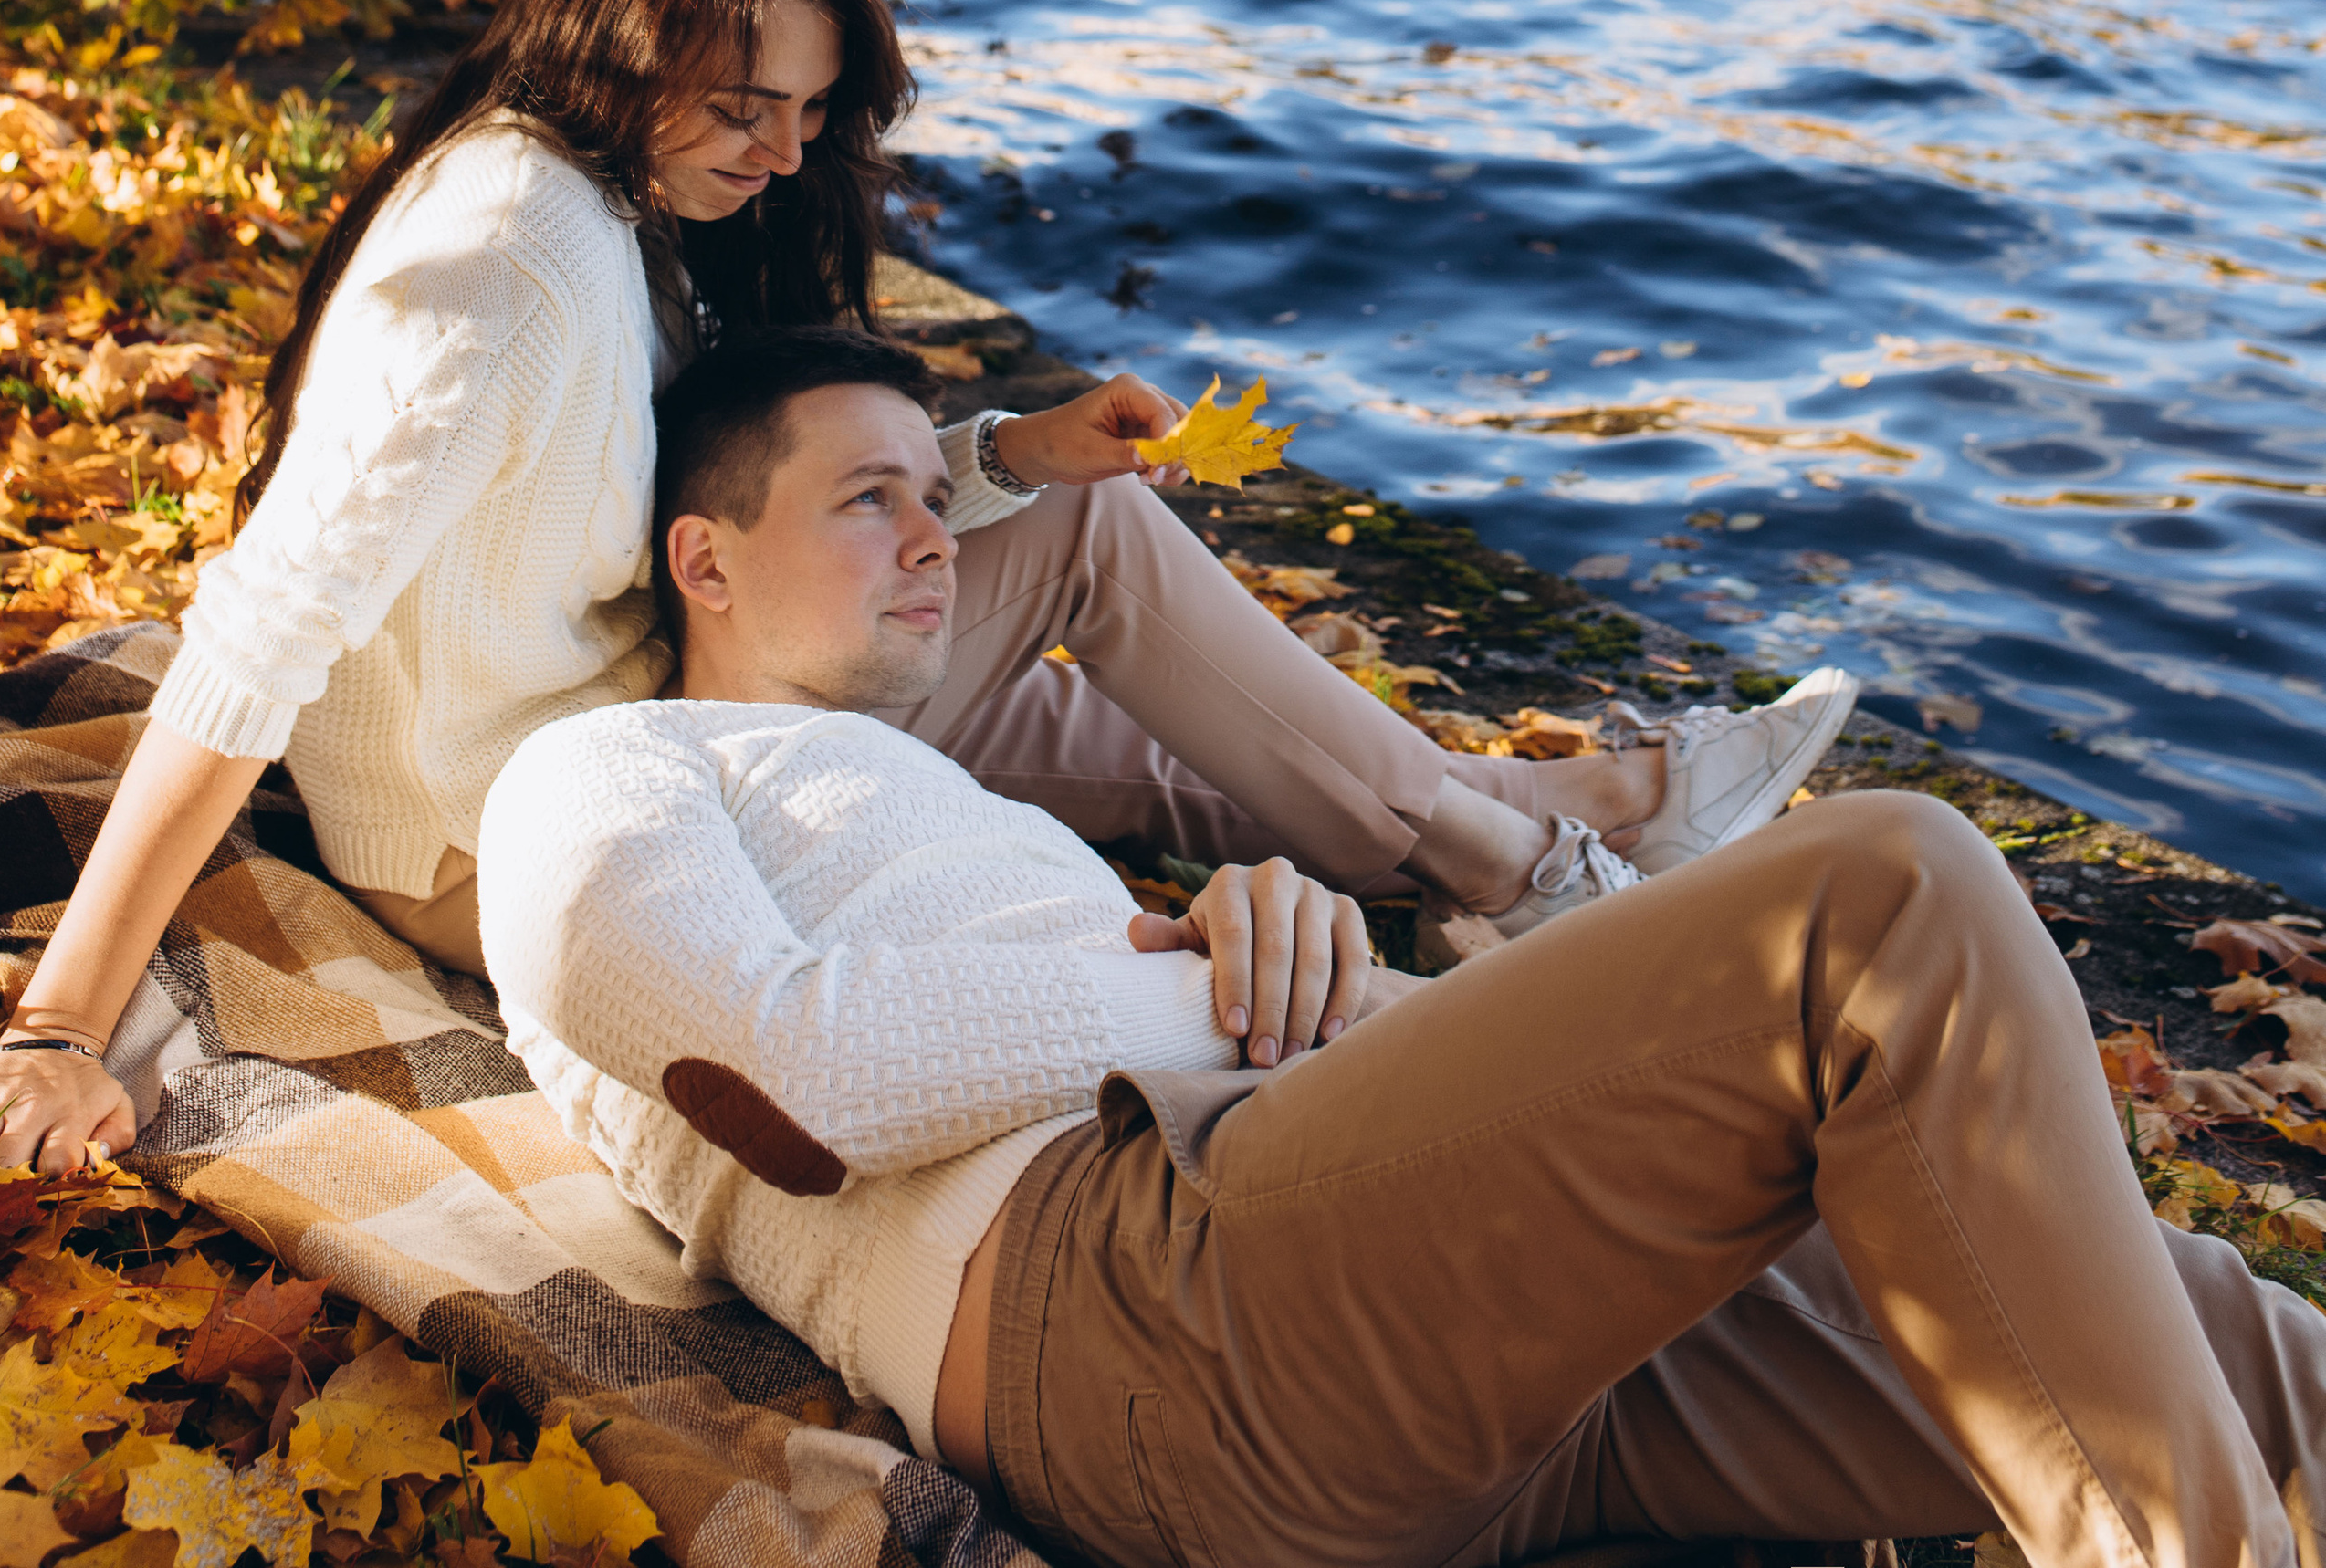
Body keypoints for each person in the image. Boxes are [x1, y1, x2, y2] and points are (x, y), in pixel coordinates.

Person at [0, 0, 1851, 1177]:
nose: (784, 153)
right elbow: (256, 635)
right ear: (619, 48)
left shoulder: (593, 204)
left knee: (1060, 636)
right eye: (744, 104)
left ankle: (1562, 818)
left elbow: (709, 496)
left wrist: (996, 465)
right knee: (1097, 577)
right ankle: (1544, 863)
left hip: (642, 705)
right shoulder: (504, 267)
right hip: (529, 835)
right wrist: (66, 1023)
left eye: (809, 110)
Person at [478, 334, 2326, 1568]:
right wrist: (1232, 984)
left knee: (2225, 1333)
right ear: (702, 562)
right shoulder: (602, 772)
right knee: (1883, 900)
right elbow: (801, 1073)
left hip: (1433, 1322)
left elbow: (1156, 935)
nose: (934, 542)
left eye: (936, 497)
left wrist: (1280, 954)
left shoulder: (936, 786)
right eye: (865, 498)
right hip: (1147, 1315)